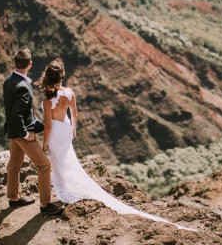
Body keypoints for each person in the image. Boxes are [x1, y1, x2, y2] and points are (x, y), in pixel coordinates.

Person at [36, 58, 196, 231]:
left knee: (59, 162)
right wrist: (73, 130)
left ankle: (65, 190)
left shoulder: (47, 101)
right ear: (62, 76)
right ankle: (68, 187)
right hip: (66, 130)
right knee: (68, 159)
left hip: (55, 133)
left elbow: (49, 125)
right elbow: (74, 114)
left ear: (49, 79)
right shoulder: (69, 92)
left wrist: (44, 142)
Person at [3, 48, 64, 215]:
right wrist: (26, 134)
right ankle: (45, 205)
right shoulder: (22, 86)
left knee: (14, 165)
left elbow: (17, 113)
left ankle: (13, 198)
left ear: (15, 63)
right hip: (22, 134)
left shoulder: (9, 80)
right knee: (44, 165)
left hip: (13, 132)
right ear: (30, 64)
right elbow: (17, 115)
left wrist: (43, 126)